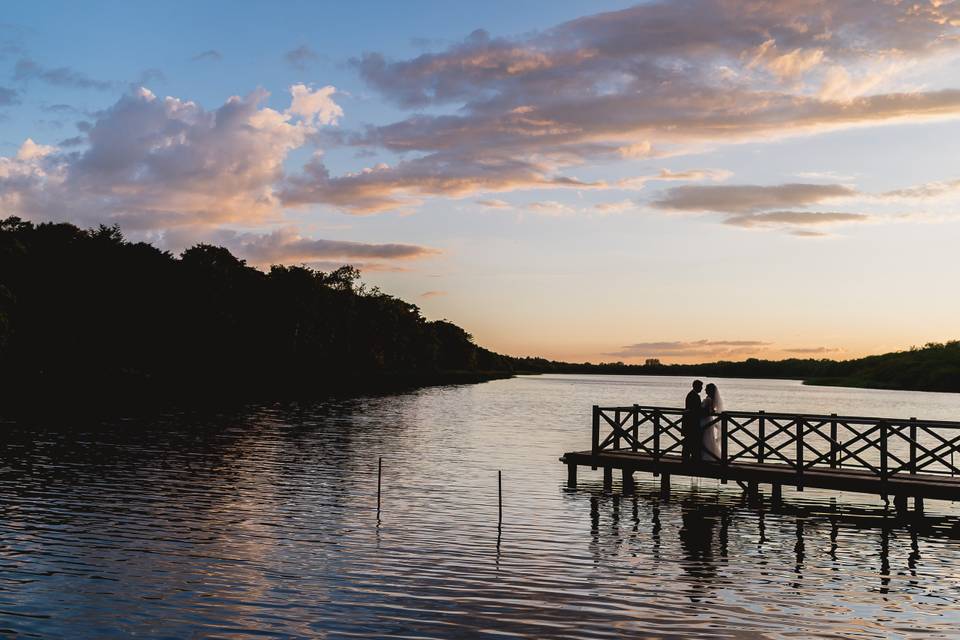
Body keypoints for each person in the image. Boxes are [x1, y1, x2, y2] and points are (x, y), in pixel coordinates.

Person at [701, 383, 724, 462]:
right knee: (708, 437)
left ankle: (706, 455)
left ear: (710, 390)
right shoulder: (711, 398)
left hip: (705, 420)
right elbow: (712, 409)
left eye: (706, 388)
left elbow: (706, 411)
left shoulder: (709, 399)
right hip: (708, 420)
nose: (705, 390)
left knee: (706, 436)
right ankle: (710, 454)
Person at [682, 380, 703, 462]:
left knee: (689, 440)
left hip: (690, 421)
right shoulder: (694, 395)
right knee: (690, 439)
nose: (701, 388)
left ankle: (689, 456)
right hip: (691, 422)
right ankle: (690, 457)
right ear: (696, 386)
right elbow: (696, 409)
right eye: (700, 387)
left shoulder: (692, 394)